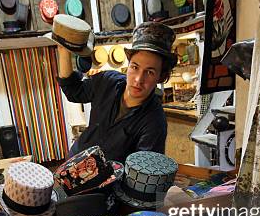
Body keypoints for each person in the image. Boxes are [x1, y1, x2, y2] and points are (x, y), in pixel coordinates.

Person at [57, 22, 178, 164]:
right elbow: (73, 91)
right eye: (135, 67)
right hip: (73, 163)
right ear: (128, 65)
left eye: (150, 72)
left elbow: (142, 172)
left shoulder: (154, 121)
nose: (138, 79)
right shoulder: (107, 81)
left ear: (161, 77)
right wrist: (63, 50)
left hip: (106, 184)